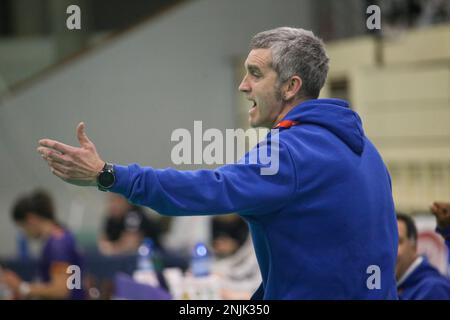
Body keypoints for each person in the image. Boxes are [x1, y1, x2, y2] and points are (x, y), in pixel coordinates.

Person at [36, 27, 398, 299]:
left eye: (256, 74)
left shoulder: (290, 152)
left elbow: (207, 189)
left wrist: (108, 175)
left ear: (290, 86)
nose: (243, 85)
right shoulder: (366, 149)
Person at [2, 190, 85, 299]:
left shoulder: (57, 244)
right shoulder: (61, 237)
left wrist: (22, 287)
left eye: (23, 227)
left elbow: (61, 290)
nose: (24, 233)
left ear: (31, 219)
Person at [396, 213, 450, 299]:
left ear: (414, 245)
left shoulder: (434, 289)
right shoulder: (395, 288)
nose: (389, 251)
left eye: (397, 242)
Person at [98, 193, 163, 255]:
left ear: (127, 202)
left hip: (153, 257)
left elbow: (131, 245)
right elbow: (103, 242)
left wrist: (111, 248)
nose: (113, 205)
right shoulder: (111, 218)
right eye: (111, 201)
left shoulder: (133, 215)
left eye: (118, 201)